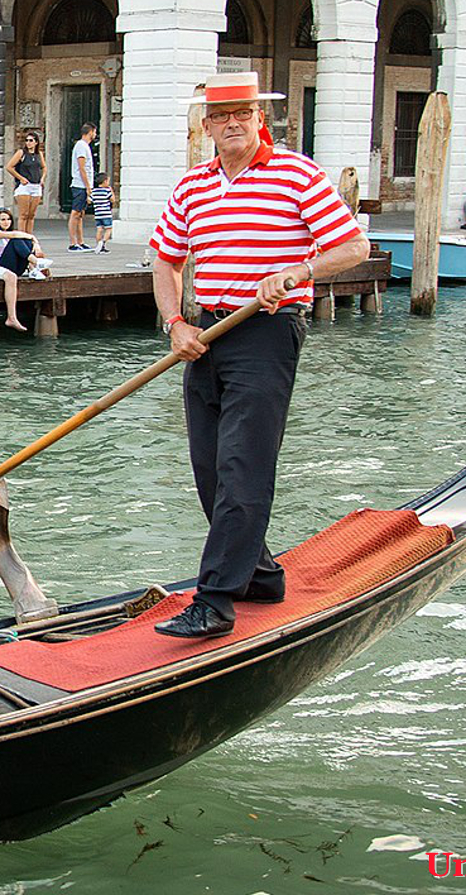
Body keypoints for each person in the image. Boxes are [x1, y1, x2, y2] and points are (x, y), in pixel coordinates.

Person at [148, 71, 369, 639]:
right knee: (208, 470)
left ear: (259, 117)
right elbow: (166, 259)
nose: (232, 123)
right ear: (207, 125)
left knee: (243, 465)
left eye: (241, 112)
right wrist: (175, 323)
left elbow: (354, 246)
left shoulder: (296, 174)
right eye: (221, 115)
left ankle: (216, 599)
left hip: (267, 330)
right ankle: (261, 574)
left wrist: (299, 270)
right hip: (207, 334)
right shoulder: (194, 185)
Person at [5, 131, 46, 234]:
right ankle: (21, 236)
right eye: (27, 141)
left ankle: (29, 236)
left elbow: (44, 167)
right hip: (25, 186)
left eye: (31, 141)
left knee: (31, 215)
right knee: (23, 214)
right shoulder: (21, 153)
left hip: (36, 185)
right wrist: (20, 178)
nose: (28, 143)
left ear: (36, 142)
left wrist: (42, 178)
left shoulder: (38, 154)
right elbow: (9, 167)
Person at [68, 123, 97, 251]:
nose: (95, 135)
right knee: (75, 213)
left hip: (84, 185)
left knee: (80, 214)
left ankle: (80, 241)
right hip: (80, 185)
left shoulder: (85, 146)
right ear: (90, 132)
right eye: (94, 132)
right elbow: (82, 168)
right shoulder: (81, 146)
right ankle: (73, 242)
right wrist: (87, 186)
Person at [90, 172, 115, 253]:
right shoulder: (106, 191)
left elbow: (89, 200)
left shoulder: (94, 191)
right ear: (104, 182)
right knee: (108, 229)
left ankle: (98, 245)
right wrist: (111, 191)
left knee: (99, 229)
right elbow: (113, 200)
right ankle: (103, 243)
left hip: (97, 214)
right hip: (106, 213)